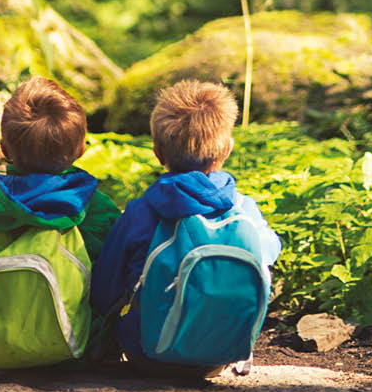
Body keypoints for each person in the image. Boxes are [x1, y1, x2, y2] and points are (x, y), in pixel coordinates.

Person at [90, 78, 281, 374]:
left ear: (158, 152)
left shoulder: (141, 212)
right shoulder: (244, 210)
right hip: (222, 353)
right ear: (227, 150)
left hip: (148, 353)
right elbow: (270, 250)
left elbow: (104, 292)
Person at [0, 75, 120, 362]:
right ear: (81, 149)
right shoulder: (96, 208)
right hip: (82, 351)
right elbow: (112, 280)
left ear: (4, 150)